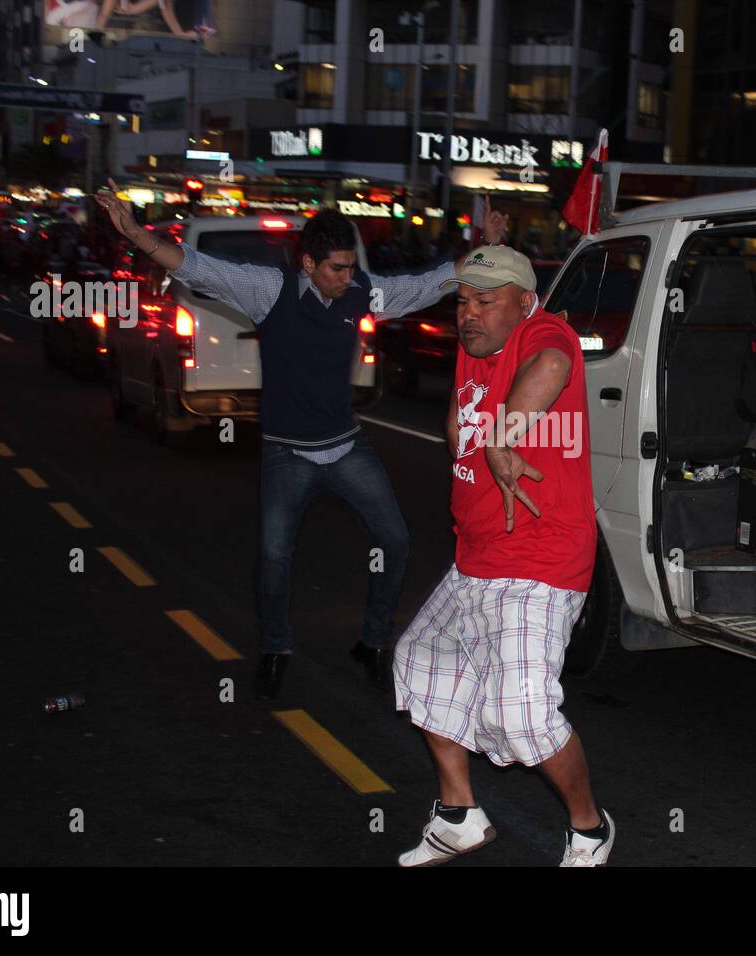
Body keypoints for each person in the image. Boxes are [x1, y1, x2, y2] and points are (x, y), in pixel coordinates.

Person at [96, 179, 509, 696]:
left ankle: (374, 643)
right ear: (308, 265)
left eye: (350, 265)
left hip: (345, 447)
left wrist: (485, 247)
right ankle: (275, 648)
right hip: (286, 454)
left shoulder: (361, 292)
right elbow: (192, 265)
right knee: (274, 555)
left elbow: (431, 282)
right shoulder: (269, 291)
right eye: (337, 267)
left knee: (396, 540)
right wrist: (134, 231)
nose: (348, 276)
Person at [393, 243, 615, 867]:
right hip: (476, 557)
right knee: (419, 662)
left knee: (521, 715)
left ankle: (589, 826)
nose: (470, 313)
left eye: (486, 302)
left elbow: (548, 365)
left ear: (525, 302)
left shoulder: (547, 333)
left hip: (540, 560)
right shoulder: (475, 343)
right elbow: (460, 419)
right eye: (463, 301)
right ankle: (459, 814)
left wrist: (504, 435)